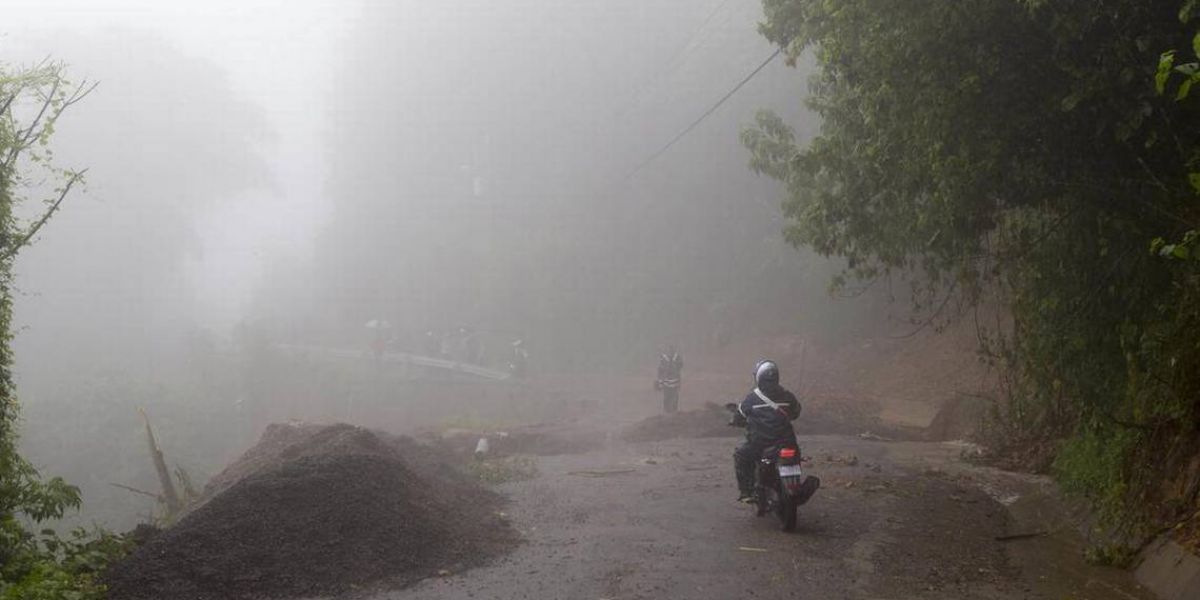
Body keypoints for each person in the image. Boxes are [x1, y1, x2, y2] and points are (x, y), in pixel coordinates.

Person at [732, 360, 800, 503]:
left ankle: (747, 492)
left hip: (760, 443)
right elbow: (796, 412)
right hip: (787, 443)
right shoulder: (788, 396)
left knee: (740, 456)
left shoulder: (752, 398)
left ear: (758, 377)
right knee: (795, 456)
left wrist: (737, 421)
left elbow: (740, 415)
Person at [655, 344, 683, 413]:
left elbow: (680, 366)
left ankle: (672, 410)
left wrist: (660, 381)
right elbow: (660, 370)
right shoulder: (665, 357)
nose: (669, 351)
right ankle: (669, 410)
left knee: (673, 396)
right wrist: (660, 381)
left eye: (670, 349)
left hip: (673, 381)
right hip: (668, 381)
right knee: (669, 396)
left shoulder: (676, 357)